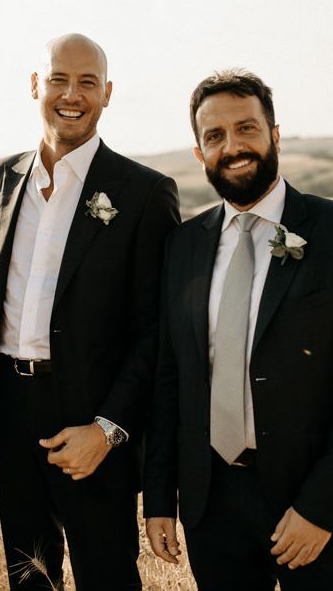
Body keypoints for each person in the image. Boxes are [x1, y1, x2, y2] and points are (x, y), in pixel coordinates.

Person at [0, 34, 180, 589]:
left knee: (108, 578)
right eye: (59, 79)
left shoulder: (144, 192)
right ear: (35, 85)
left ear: (108, 94)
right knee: (29, 578)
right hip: (10, 414)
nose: (72, 94)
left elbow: (153, 333)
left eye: (88, 82)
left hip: (93, 421)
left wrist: (110, 429)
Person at [144, 69, 333, 590]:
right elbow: (170, 378)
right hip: (212, 503)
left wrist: (322, 506)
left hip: (311, 506)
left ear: (275, 134)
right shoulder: (183, 246)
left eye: (246, 128)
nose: (233, 147)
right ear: (199, 152)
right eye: (215, 136)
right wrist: (159, 499)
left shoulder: (330, 231)